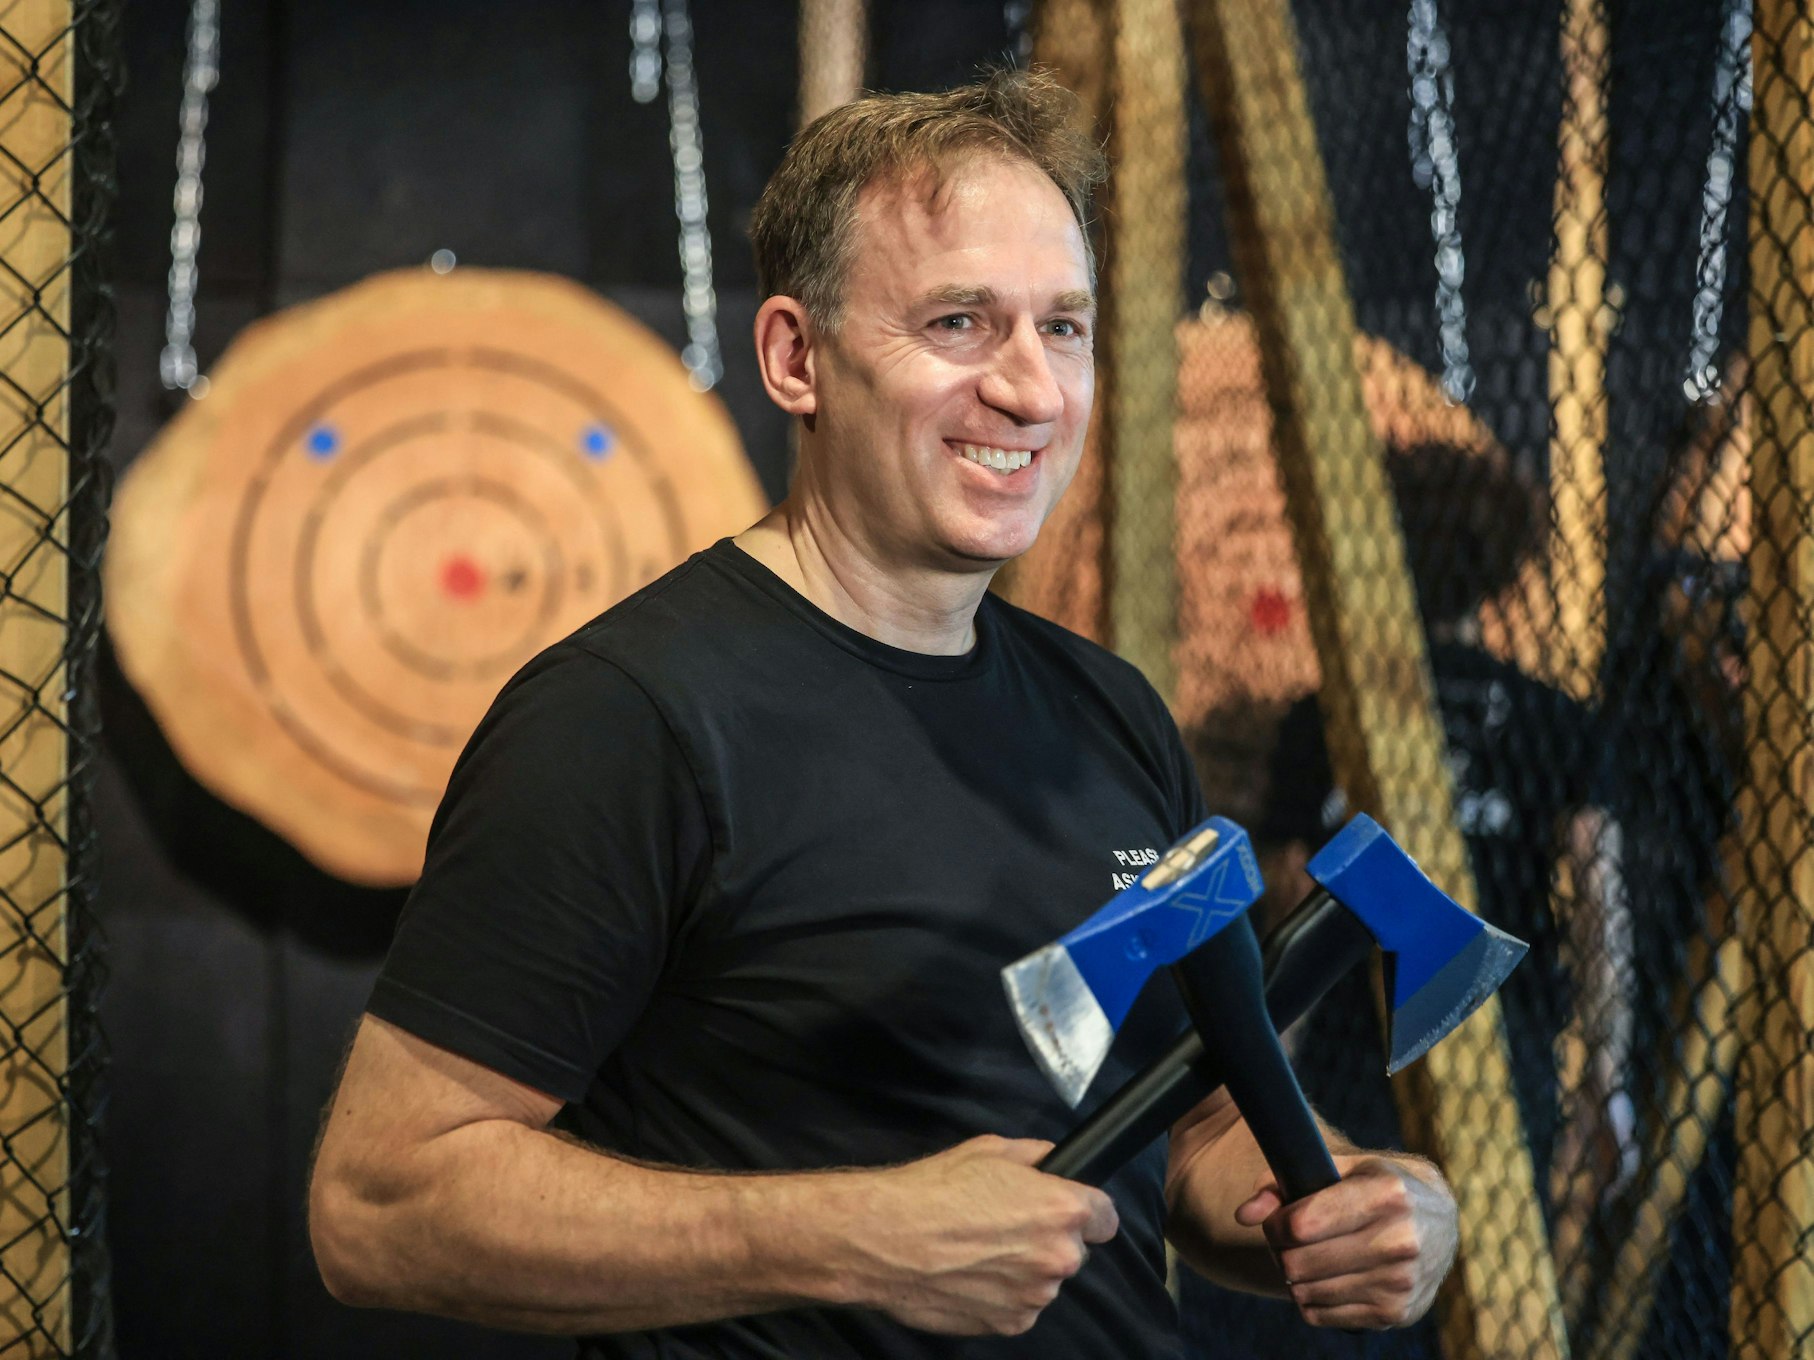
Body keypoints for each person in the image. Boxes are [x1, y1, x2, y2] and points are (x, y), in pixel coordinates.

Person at [307, 69, 1458, 1358]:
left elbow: (1191, 1116)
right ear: (798, 357)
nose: (1032, 390)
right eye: (961, 322)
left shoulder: (1113, 716)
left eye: (1063, 327)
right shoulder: (630, 720)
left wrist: (1362, 1199)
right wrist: (859, 1236)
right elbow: (379, 1204)